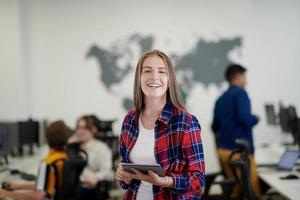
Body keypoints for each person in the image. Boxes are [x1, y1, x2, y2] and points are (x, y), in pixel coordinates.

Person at [115, 50, 205, 200]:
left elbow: (198, 179)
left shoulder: (186, 122)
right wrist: (124, 176)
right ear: (139, 78)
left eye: (162, 72)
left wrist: (164, 181)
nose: (154, 77)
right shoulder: (129, 120)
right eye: (147, 71)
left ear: (169, 79)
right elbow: (124, 180)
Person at [211, 64, 261, 197]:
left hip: (224, 153)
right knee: (252, 193)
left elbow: (214, 127)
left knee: (236, 191)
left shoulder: (220, 99)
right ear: (238, 76)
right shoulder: (241, 94)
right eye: (244, 76)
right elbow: (246, 119)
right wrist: (255, 118)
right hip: (240, 154)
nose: (246, 80)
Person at [0, 120, 72, 200]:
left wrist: (5, 193)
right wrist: (17, 186)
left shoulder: (48, 163)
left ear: (47, 139)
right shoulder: (64, 156)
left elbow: (37, 196)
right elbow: (45, 185)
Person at [72, 115, 113, 200]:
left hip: (88, 189)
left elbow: (108, 173)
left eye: (84, 128)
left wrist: (96, 177)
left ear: (93, 129)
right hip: (71, 187)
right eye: (78, 127)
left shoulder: (101, 148)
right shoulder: (72, 146)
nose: (80, 131)